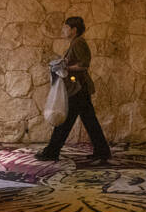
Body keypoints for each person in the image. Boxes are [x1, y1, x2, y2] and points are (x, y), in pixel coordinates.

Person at [35, 16, 112, 164]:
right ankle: (102, 151)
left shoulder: (78, 42)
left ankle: (52, 151)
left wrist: (65, 67)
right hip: (79, 87)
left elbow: (84, 65)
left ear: (74, 30)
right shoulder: (75, 43)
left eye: (66, 28)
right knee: (89, 121)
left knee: (65, 121)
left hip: (78, 88)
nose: (63, 30)